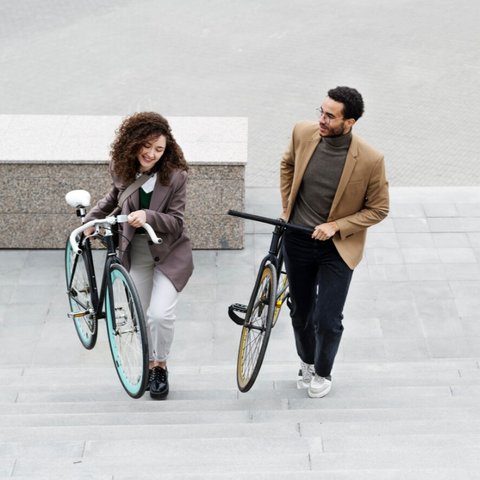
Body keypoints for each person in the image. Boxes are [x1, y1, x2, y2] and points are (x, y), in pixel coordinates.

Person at [280, 86, 389, 398]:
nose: (321, 120)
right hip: (298, 238)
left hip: (336, 248)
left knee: (328, 319)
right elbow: (287, 164)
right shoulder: (303, 133)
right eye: (321, 111)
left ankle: (323, 371)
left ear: (350, 122)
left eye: (330, 116)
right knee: (300, 312)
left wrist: (336, 226)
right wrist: (288, 205)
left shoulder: (370, 159)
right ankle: (307, 361)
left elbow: (379, 208)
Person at [84, 112, 194, 400]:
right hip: (136, 252)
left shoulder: (176, 176)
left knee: (160, 314)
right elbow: (113, 200)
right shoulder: (122, 169)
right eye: (147, 146)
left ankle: (160, 366)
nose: (152, 154)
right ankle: (147, 363)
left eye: (159, 149)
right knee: (139, 314)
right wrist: (89, 222)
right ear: (134, 143)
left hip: (169, 252)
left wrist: (148, 216)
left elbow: (177, 222)